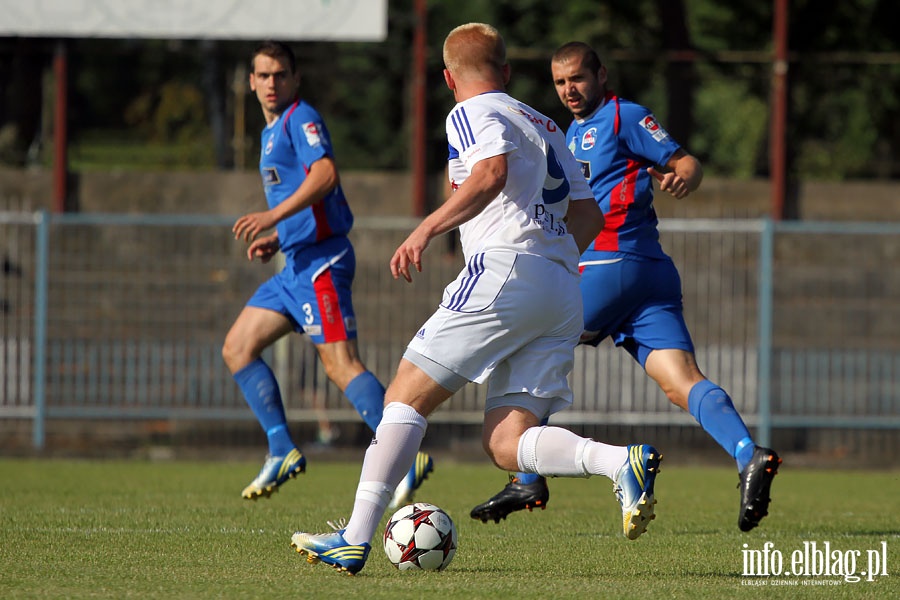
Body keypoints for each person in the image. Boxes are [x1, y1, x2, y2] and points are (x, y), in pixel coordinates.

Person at [290, 23, 663, 576]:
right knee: (506, 441)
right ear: (507, 71)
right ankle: (619, 463)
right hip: (561, 286)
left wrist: (425, 230)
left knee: (405, 396)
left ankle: (354, 536)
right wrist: (550, 258)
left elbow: (490, 173)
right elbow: (589, 215)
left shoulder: (467, 111)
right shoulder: (544, 123)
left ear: (448, 78)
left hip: (505, 271)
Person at [470, 41, 781, 533]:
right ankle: (749, 454)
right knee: (680, 381)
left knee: (530, 344)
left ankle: (527, 475)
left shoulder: (623, 116)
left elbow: (687, 163)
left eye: (577, 78)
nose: (569, 90)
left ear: (601, 74)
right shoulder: (570, 132)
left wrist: (682, 177)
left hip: (609, 263)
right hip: (648, 274)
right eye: (560, 82)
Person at [222, 40, 432, 506]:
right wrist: (278, 238)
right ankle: (281, 449)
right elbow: (308, 197)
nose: (272, 83)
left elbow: (325, 176)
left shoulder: (300, 117)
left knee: (340, 364)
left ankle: (405, 452)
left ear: (294, 80)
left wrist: (271, 219)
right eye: (263, 75)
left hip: (322, 264)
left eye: (280, 75)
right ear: (251, 82)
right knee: (238, 347)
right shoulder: (269, 131)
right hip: (295, 262)